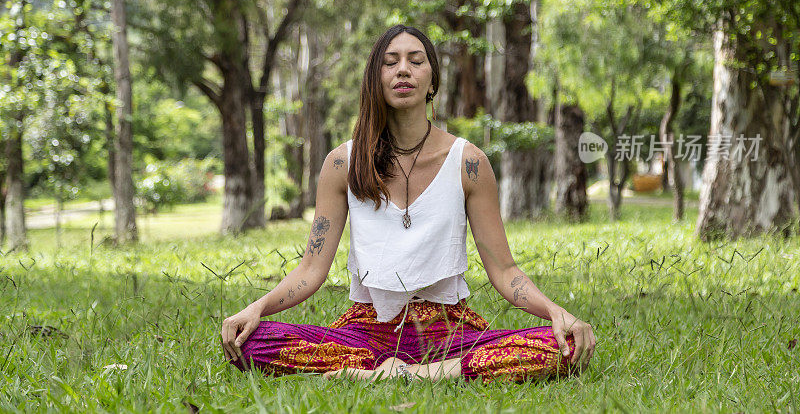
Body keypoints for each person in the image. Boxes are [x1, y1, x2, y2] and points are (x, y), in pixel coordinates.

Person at [220, 24, 596, 383]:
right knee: (252, 341)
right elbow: (310, 270)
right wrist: (256, 308)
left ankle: (406, 375)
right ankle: (420, 371)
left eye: (416, 61)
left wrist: (555, 312)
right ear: (376, 77)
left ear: (433, 80)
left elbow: (504, 270)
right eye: (390, 61)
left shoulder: (469, 163)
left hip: (450, 331)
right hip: (366, 332)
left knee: (565, 344)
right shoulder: (342, 164)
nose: (403, 70)